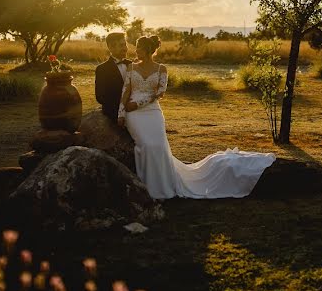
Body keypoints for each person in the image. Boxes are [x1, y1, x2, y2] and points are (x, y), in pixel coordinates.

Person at [118, 35, 275, 199]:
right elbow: (125, 92)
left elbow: (159, 93)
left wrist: (139, 103)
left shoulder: (161, 69)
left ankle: (162, 187)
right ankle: (147, 186)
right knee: (146, 145)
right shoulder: (131, 68)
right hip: (134, 115)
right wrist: (121, 114)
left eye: (139, 48)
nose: (135, 51)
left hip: (152, 112)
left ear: (148, 50)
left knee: (158, 146)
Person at [95, 32, 131, 122]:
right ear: (111, 48)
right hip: (114, 111)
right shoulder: (102, 69)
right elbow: (100, 97)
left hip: (134, 109)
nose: (125, 49)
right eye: (121, 45)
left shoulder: (132, 65)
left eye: (125, 45)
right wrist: (122, 108)